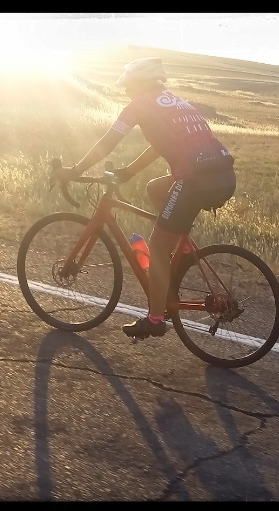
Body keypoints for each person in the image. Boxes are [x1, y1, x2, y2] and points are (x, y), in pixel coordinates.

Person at [58, 57, 237, 339]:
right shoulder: (174, 102)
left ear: (140, 84)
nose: (128, 92)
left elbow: (108, 142)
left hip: (196, 181)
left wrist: (75, 170)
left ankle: (155, 319)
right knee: (155, 189)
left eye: (129, 86)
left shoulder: (141, 104)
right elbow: (158, 146)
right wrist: (128, 171)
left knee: (155, 245)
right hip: (224, 176)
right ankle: (178, 250)